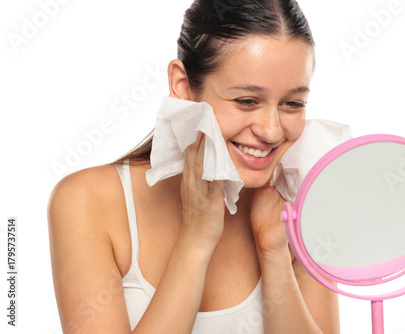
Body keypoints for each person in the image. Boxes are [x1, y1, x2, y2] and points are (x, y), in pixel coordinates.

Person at [48, 0, 341, 332]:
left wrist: (273, 253)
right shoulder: (86, 201)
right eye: (246, 100)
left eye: (292, 103)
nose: (272, 130)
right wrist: (196, 239)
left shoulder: (302, 206)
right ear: (183, 87)